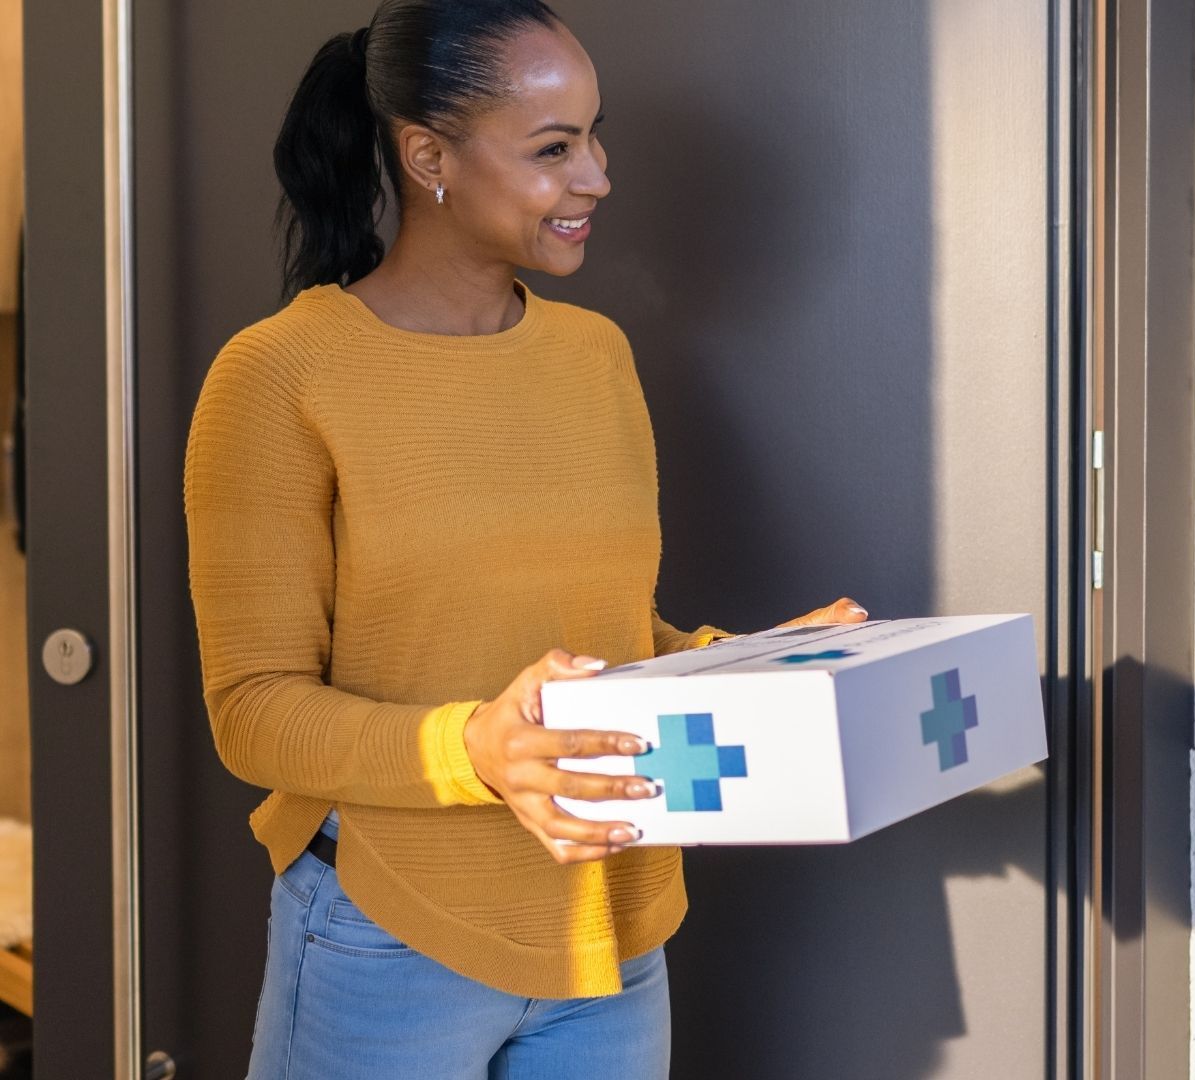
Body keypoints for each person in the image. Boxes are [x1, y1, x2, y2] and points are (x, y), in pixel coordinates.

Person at [184, 2, 865, 1075]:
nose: (596, 176)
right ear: (428, 157)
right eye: (554, 148)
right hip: (391, 929)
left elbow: (601, 634)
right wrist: (474, 751)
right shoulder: (280, 377)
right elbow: (252, 712)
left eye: (594, 137)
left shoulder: (595, 356)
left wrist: (756, 666)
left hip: (610, 927)